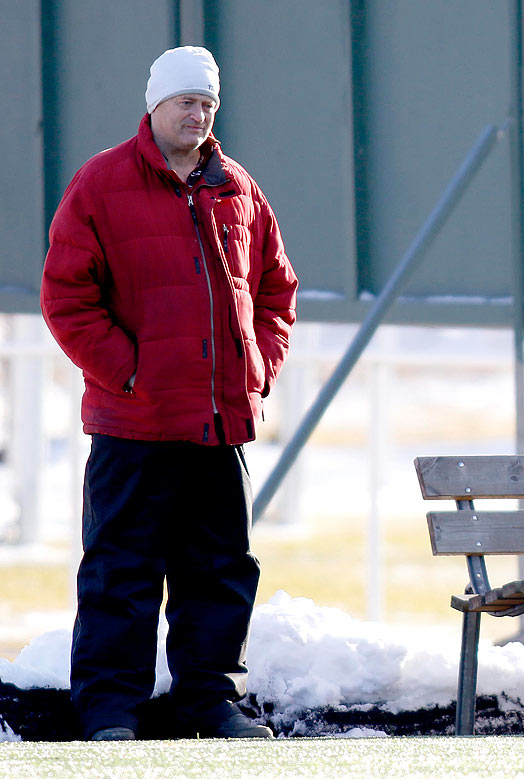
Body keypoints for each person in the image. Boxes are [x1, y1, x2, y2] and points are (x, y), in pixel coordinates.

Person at [41, 46, 298, 741]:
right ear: (155, 105)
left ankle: (211, 703)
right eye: (186, 100)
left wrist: (257, 368)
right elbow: (67, 296)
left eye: (208, 103)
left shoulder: (238, 187)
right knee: (120, 572)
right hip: (134, 423)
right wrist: (129, 372)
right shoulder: (100, 183)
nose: (199, 113)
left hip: (221, 426)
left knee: (219, 571)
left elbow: (277, 290)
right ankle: (109, 709)